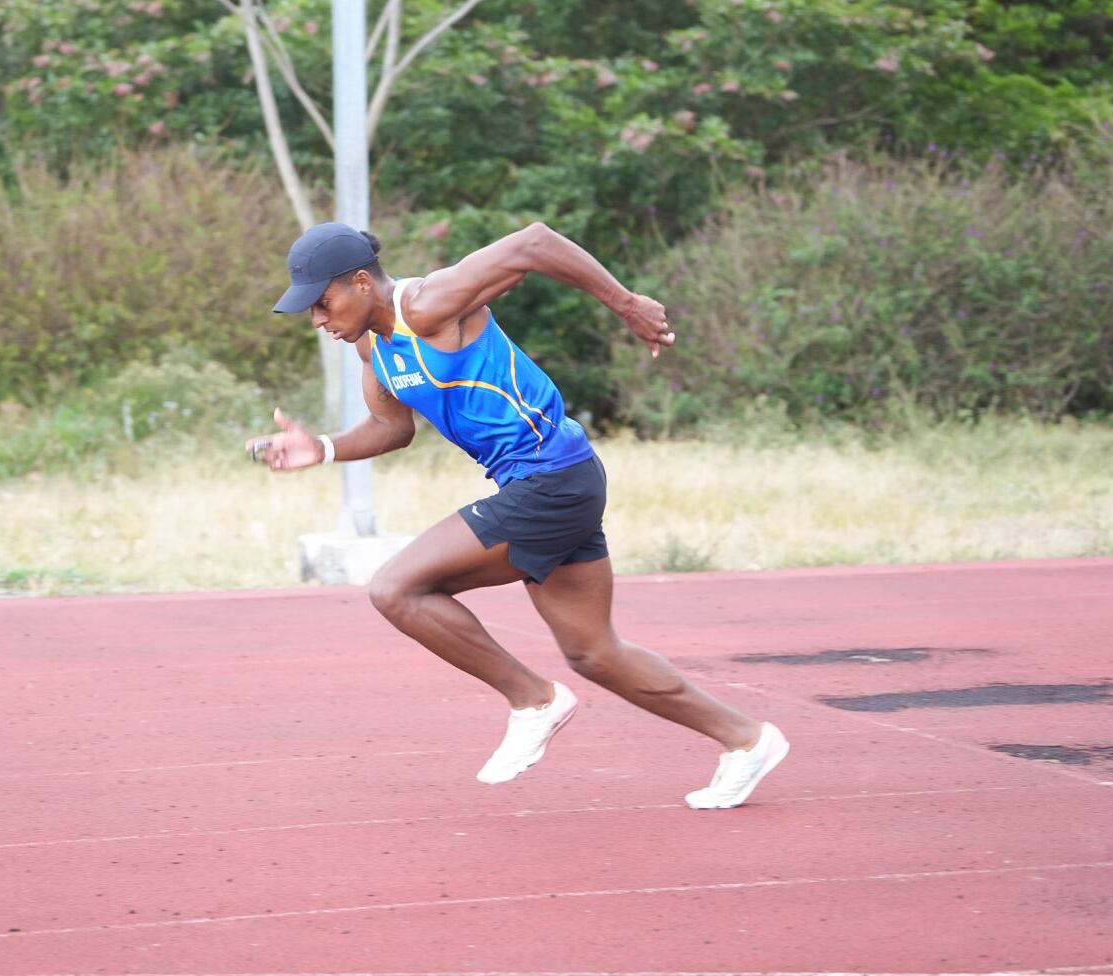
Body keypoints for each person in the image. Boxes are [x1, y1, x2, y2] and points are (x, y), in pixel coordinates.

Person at [248, 220, 788, 809]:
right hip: (555, 483)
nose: (319, 320)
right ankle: (747, 741)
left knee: (396, 589)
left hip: (549, 480)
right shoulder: (371, 347)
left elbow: (533, 242)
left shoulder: (430, 303)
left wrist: (627, 305)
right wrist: (322, 448)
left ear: (360, 282)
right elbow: (390, 428)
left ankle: (534, 700)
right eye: (311, 311)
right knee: (595, 654)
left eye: (323, 303)